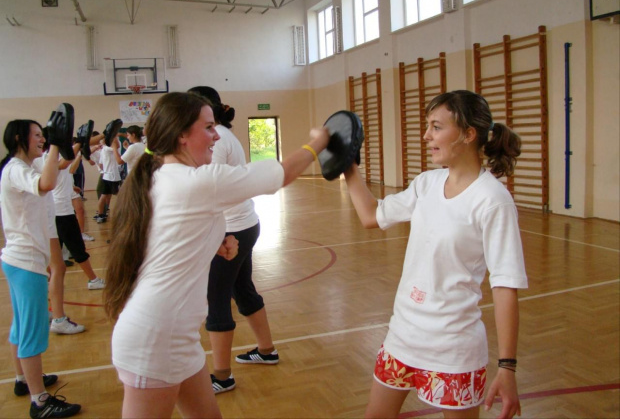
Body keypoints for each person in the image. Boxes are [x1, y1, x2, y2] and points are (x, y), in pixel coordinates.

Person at [103, 92, 329, 418]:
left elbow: (168, 236)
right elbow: (281, 174)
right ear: (182, 134)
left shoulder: (158, 175)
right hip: (154, 339)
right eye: (208, 127)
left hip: (179, 337)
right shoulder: (197, 181)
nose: (215, 135)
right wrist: (317, 143)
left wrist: (216, 239)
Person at [343, 90, 528, 419]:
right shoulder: (427, 183)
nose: (427, 135)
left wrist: (507, 367)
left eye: (436, 126)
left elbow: (505, 285)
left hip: (453, 348)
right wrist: (348, 166)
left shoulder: (492, 200)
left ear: (468, 134)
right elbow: (372, 215)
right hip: (401, 335)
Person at [188, 86, 278, 395]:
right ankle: (266, 350)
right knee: (242, 289)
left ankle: (222, 376)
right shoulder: (225, 134)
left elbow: (209, 188)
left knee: (217, 298)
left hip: (231, 229)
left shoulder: (216, 138)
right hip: (244, 224)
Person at [1, 118, 81, 418]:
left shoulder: (24, 167)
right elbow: (46, 183)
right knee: (31, 332)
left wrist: (74, 144)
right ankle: (41, 401)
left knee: (20, 327)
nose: (42, 140)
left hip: (19, 260)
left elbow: (54, 170)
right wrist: (58, 143)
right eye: (37, 136)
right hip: (25, 263)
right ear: (20, 137)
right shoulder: (17, 170)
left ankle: (23, 379)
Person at [37, 131, 106, 291]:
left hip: (58, 212)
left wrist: (71, 187)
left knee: (55, 255)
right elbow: (63, 164)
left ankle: (45, 280)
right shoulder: (50, 157)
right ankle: (93, 280)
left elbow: (64, 172)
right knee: (77, 249)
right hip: (61, 213)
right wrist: (82, 144)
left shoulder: (56, 156)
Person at [95, 136, 122, 223]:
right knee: (121, 195)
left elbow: (100, 164)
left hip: (107, 176)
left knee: (104, 196)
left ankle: (100, 215)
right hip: (112, 176)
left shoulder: (103, 149)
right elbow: (116, 146)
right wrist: (114, 139)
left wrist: (105, 171)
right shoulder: (107, 149)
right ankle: (124, 213)